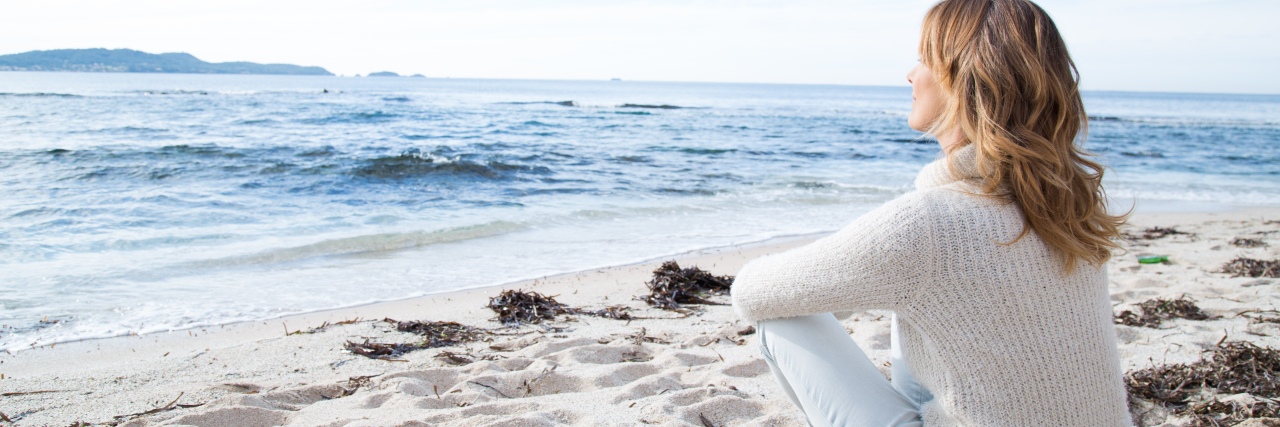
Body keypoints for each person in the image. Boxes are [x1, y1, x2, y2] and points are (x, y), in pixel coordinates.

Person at [729, 0, 1132, 426]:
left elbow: (752, 292)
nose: (910, 73)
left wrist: (846, 287)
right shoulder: (1070, 205)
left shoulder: (931, 223)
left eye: (924, 58)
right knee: (921, 310)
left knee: (784, 322)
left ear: (962, 80)